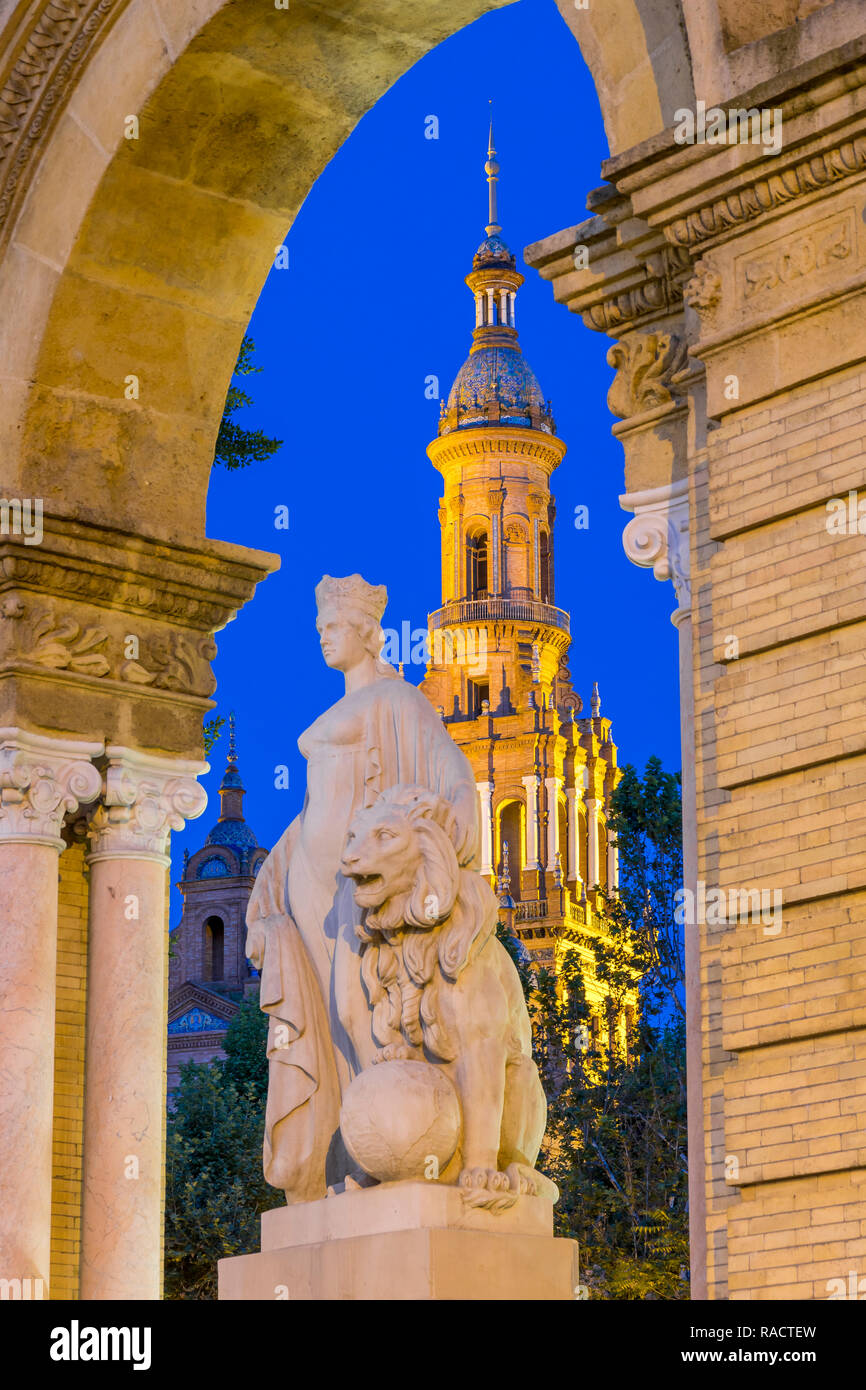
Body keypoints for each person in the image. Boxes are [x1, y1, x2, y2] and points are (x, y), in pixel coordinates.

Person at [245, 574, 479, 1203]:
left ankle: (384, 1145)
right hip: (309, 878)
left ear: (366, 632)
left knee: (360, 1004)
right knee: (324, 1012)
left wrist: (445, 817)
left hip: (358, 877)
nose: (322, 637)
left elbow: (451, 773)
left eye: (332, 627)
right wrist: (274, 874)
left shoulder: (398, 701)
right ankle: (343, 1155)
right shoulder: (346, 706)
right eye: (319, 627)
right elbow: (315, 802)